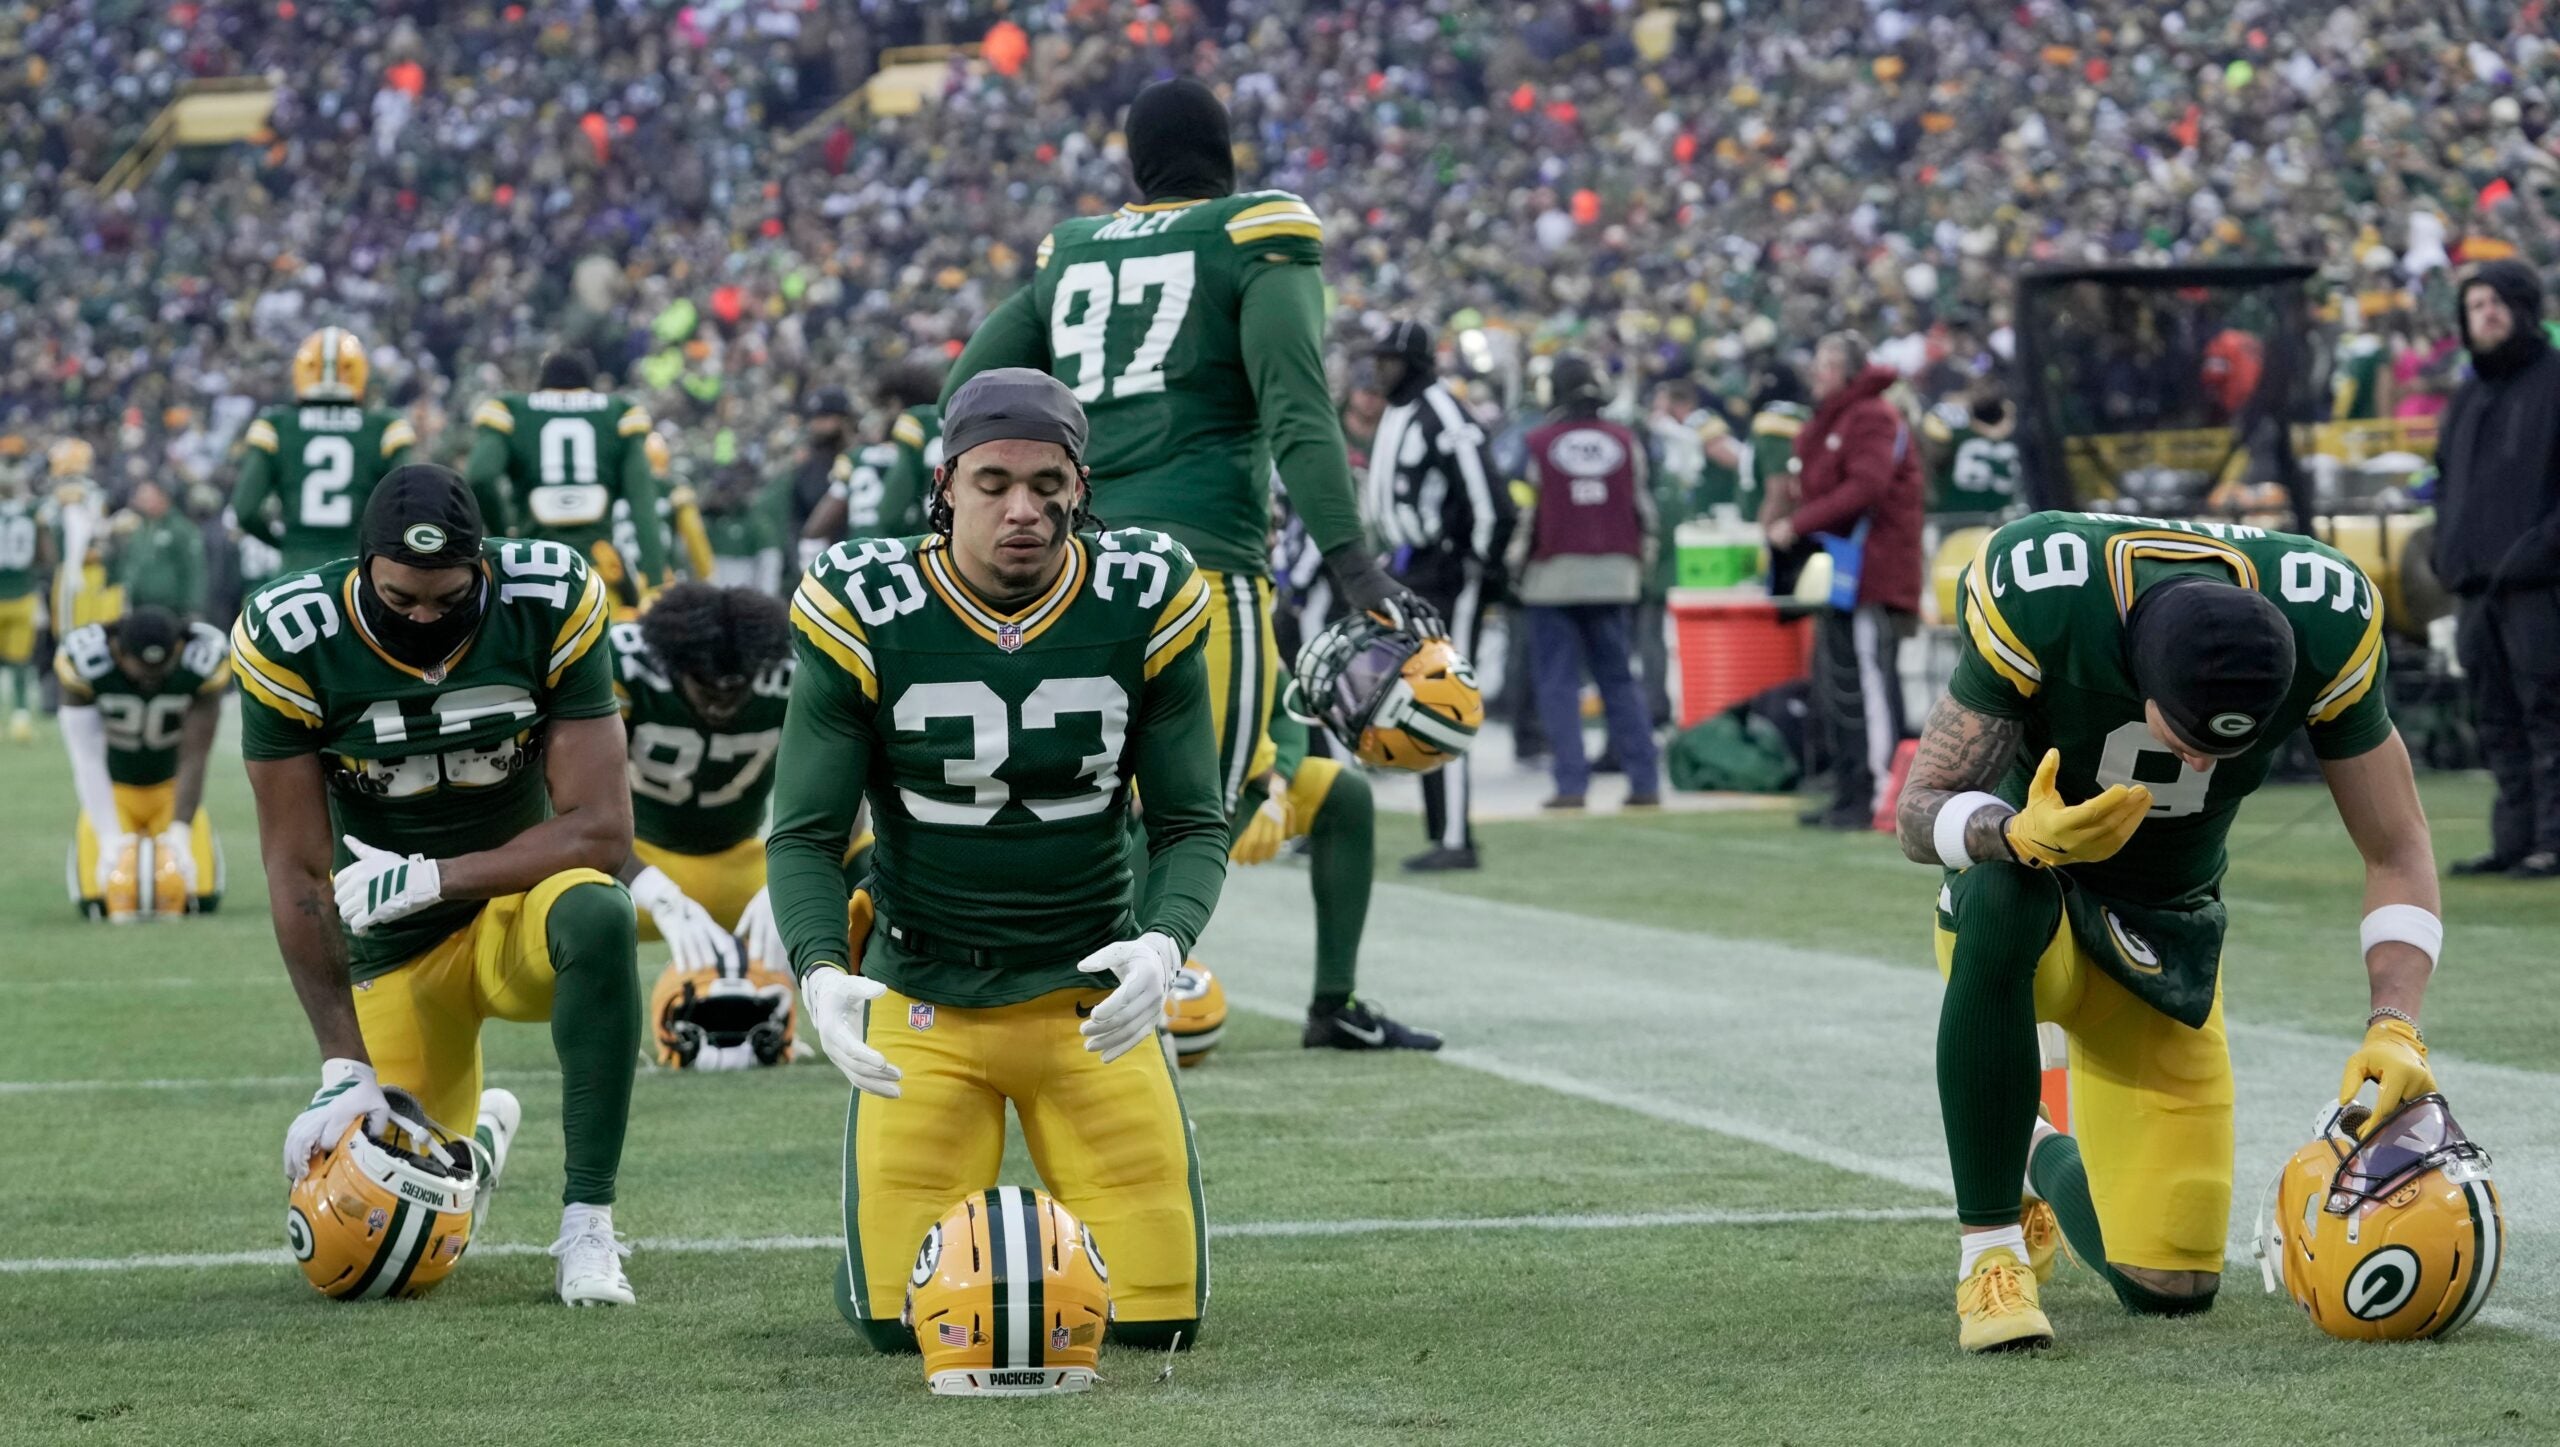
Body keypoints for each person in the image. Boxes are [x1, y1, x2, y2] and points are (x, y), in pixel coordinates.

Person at [940, 77, 1435, 1047]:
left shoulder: (1072, 252)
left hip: (1079, 582)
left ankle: (1065, 1009)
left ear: (1131, 165)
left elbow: (967, 393)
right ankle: (1101, 1022)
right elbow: (1297, 409)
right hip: (1198, 571)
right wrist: (1357, 572)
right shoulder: (1255, 231)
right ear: (1227, 157)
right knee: (1180, 824)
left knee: (1097, 803)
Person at [1896, 510, 2438, 1353]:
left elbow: (2398, 845)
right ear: (2136, 679)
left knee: (2170, 1289)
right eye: (2184, 738)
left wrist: (2395, 1021)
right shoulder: (2052, 595)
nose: (2198, 767)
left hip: (2168, 931)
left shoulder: (2324, 613)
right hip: (2027, 912)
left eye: (2227, 751)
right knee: (2006, 894)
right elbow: (1916, 808)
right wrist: (2013, 834)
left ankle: (2034, 1147)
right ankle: (1990, 1252)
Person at [765, 369, 1228, 1353]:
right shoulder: (866, 601)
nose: (1023, 507)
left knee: (1159, 1320)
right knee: (901, 1326)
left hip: (1085, 1005)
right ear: (945, 484)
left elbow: (1190, 821)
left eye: (1047, 482)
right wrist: (819, 967)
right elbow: (805, 831)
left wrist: (1163, 941)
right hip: (926, 999)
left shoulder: (1145, 591)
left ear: (1080, 484)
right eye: (992, 482)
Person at [233, 465, 643, 1306]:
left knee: (600, 910)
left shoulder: (549, 595)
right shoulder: (291, 634)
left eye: (448, 599)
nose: (423, 617)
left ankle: (589, 1222)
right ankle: (478, 1141)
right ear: (361, 570)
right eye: (400, 599)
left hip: (512, 911)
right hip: (393, 949)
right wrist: (342, 1063)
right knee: (387, 1247)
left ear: (484, 571)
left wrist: (435, 876)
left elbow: (602, 830)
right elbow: (298, 866)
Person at [1363, 318, 1515, 868]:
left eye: (1389, 360)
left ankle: (1454, 839)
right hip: (1407, 569)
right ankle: (1442, 832)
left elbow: (1492, 500)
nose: (1378, 369)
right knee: (1413, 699)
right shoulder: (1402, 412)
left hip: (1445, 573)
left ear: (1415, 363)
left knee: (1445, 696)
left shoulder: (1443, 411)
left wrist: (1476, 563)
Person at [2431, 260, 2560, 879]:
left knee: (2549, 712)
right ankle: (2514, 841)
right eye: (2474, 303)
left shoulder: (2555, 380)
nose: (2484, 313)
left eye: (2496, 301)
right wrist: (2445, 554)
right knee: (2495, 718)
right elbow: (2446, 485)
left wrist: (2539, 551)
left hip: (2541, 585)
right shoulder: (2467, 395)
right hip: (2475, 589)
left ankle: (2554, 841)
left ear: (2523, 308)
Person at [1769, 333, 1923, 829]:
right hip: (1845, 570)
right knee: (1843, 684)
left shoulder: (1870, 416)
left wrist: (1798, 522)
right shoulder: (1839, 418)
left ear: (1851, 371)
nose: (1817, 372)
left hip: (1871, 570)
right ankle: (1850, 785)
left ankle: (1880, 789)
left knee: (1869, 680)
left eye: (1827, 363)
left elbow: (1867, 485)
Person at [607, 583, 798, 972]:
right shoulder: (624, 665)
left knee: (860, 867)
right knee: (573, 909)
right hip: (630, 860)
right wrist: (657, 894)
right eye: (705, 687)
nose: (720, 703)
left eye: (735, 688)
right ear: (673, 667)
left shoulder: (792, 672)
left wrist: (794, 880)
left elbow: (844, 798)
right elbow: (572, 799)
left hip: (743, 864)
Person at [1514, 353, 1662, 811]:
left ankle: (1571, 784)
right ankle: (1644, 780)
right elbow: (1645, 512)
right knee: (1619, 679)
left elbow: (1526, 515)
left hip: (1552, 575)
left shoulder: (1536, 442)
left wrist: (1513, 569)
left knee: (1559, 683)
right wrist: (1639, 567)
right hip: (1615, 573)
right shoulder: (1625, 439)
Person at [58, 605, 227, 916]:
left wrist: (180, 830)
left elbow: (195, 755)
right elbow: (86, 757)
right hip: (114, 792)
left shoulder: (202, 663)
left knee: (199, 899)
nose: (152, 678)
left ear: (177, 649)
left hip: (170, 790)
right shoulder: (85, 662)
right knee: (98, 902)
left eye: (162, 668)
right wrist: (108, 835)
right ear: (117, 652)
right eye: (142, 668)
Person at [466, 349, 667, 606]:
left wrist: (506, 537)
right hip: (598, 574)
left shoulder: (511, 409)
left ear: (541, 384)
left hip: (530, 574)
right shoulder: (619, 412)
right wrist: (657, 581)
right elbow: (643, 502)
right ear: (590, 386)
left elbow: (480, 477)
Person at [228, 326, 418, 574]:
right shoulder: (385, 426)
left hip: (296, 566)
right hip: (358, 567)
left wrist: (286, 545)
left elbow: (244, 510)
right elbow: (407, 506)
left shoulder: (276, 425)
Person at [802, 361, 944, 545]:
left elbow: (890, 516)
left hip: (882, 551)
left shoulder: (859, 457)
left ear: (895, 405)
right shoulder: (942, 429)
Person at [0, 463, 51, 741]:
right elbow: (46, 555)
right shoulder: (32, 513)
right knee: (19, 662)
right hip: (22, 596)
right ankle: (20, 716)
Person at [110, 482, 205, 617]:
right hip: (138, 605)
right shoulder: (140, 528)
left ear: (163, 497)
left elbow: (194, 569)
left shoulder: (181, 528)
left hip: (170, 608)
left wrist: (193, 606)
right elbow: (129, 562)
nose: (141, 500)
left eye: (147, 497)